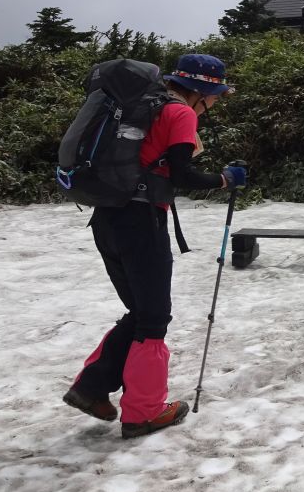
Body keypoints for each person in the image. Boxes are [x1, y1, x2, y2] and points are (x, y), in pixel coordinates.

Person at [63, 53, 247, 439]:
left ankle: (92, 388)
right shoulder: (180, 113)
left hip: (107, 217)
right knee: (153, 319)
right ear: (201, 90)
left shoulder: (142, 107)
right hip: (141, 222)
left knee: (140, 310)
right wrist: (225, 179)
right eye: (216, 95)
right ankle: (144, 412)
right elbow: (183, 174)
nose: (216, 102)